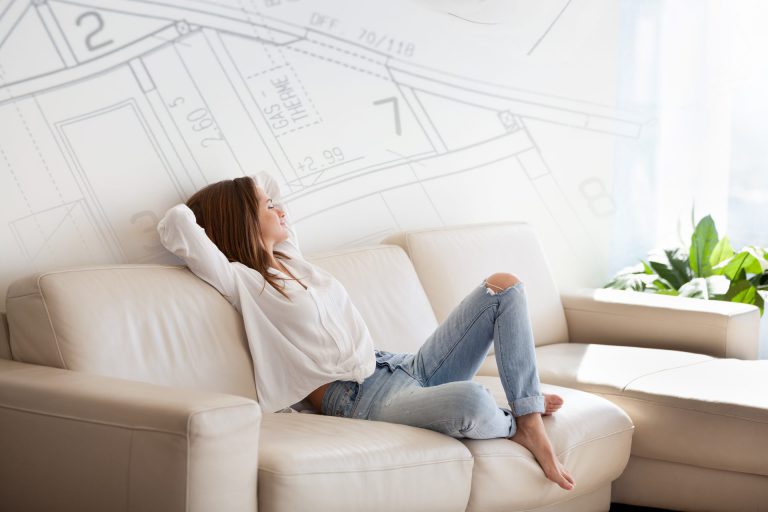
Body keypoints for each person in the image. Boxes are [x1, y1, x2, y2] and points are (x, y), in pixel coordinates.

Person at [157, 172, 575, 491]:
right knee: (472, 399)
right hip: (355, 398)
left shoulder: (293, 260)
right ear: (244, 221)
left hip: (398, 366)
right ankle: (518, 420)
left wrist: (254, 196)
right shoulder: (241, 282)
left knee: (504, 286)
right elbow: (177, 224)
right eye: (268, 208)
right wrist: (228, 203)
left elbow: (267, 180)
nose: (280, 210)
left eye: (274, 204)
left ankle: (526, 411)